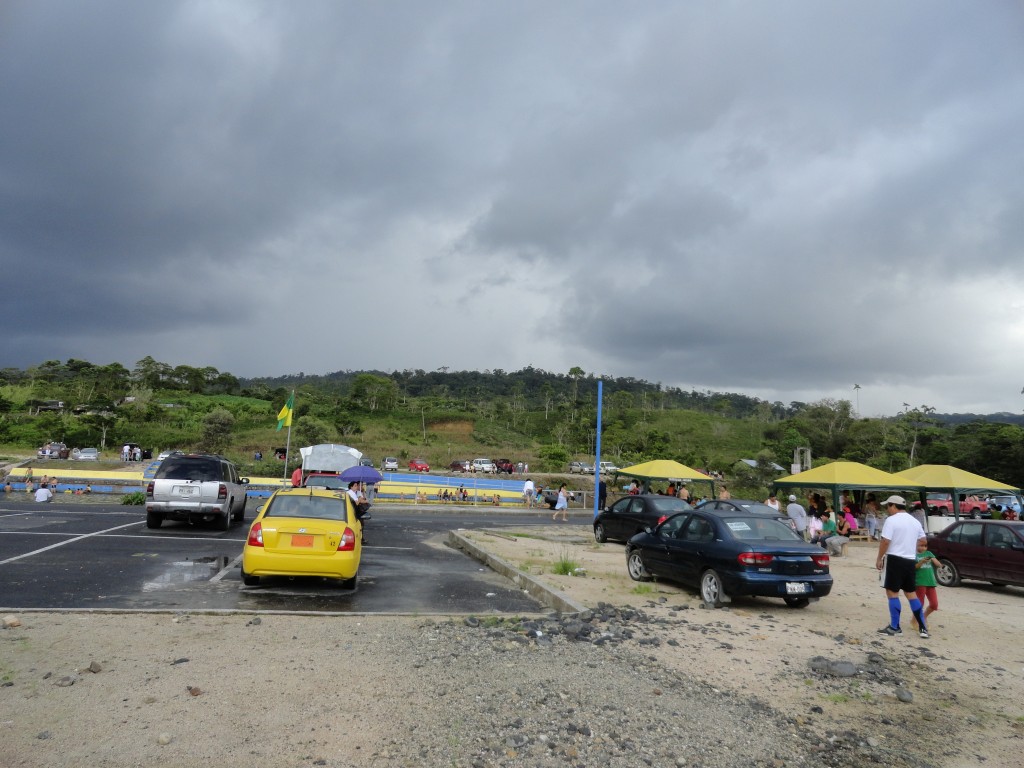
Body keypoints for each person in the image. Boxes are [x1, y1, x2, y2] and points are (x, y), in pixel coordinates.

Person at [875, 495, 929, 638]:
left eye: (888, 506)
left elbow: (885, 541)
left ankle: (895, 627)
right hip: (910, 560)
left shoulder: (891, 520)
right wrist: (910, 546)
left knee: (892, 592)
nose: (887, 509)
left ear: (893, 506)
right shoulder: (915, 521)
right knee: (911, 593)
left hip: (895, 559)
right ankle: (923, 627)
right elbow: (923, 539)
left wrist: (879, 558)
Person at [914, 538, 942, 630]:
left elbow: (938, 564)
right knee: (920, 604)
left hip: (930, 582)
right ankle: (917, 620)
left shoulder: (929, 553)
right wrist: (922, 562)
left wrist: (936, 562)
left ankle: (923, 617)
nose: (923, 548)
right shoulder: (914, 555)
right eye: (921, 546)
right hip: (920, 582)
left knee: (934, 604)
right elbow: (914, 567)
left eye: (925, 546)